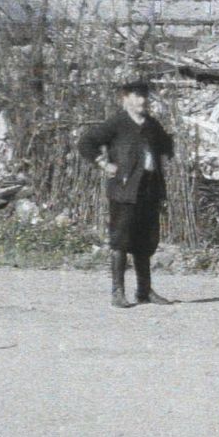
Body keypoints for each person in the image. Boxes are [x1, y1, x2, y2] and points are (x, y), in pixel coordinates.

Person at [78, 79, 176, 309]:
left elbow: (165, 145)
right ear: (125, 100)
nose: (142, 100)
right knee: (121, 241)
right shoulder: (116, 123)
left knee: (145, 242)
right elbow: (86, 143)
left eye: (144, 96)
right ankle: (117, 292)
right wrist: (104, 164)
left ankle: (144, 291)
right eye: (136, 96)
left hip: (149, 189)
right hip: (124, 191)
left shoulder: (151, 124)